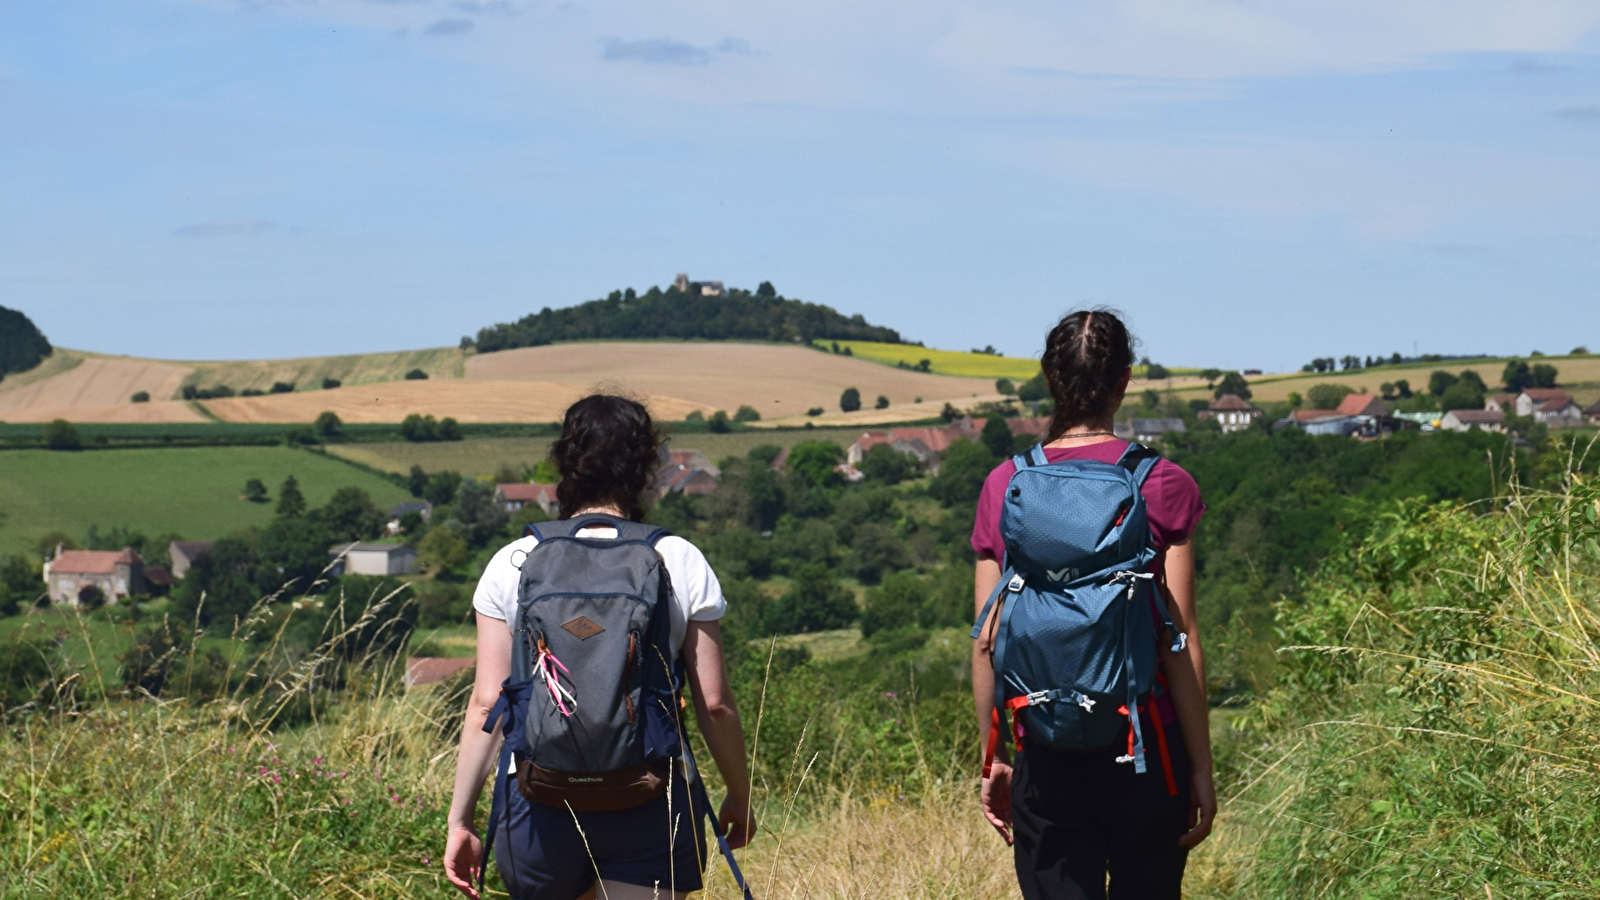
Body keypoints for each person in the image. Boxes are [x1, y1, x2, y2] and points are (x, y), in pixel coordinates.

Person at [444, 394, 755, 900]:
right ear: (645, 466)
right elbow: (714, 705)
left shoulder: (513, 561)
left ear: (566, 462)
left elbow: (486, 703)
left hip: (536, 802)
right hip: (650, 798)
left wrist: (461, 821)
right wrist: (738, 794)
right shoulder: (677, 558)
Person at [971, 310, 1217, 899]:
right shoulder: (1162, 483)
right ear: (1124, 381)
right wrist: (1199, 766)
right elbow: (1178, 639)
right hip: (1144, 746)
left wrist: (993, 757)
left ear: (1050, 379)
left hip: (1044, 747)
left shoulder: (1006, 484)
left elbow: (986, 641)